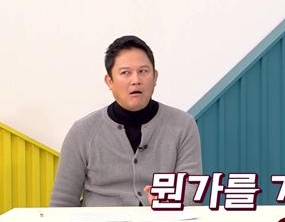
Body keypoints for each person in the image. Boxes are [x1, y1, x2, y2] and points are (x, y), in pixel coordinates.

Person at [50, 36, 202, 206]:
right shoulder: (82, 131)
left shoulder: (183, 125)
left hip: (162, 220)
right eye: (125, 73)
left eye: (143, 71)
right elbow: (62, 202)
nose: (136, 80)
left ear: (155, 77)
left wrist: (169, 199)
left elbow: (192, 189)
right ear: (110, 81)